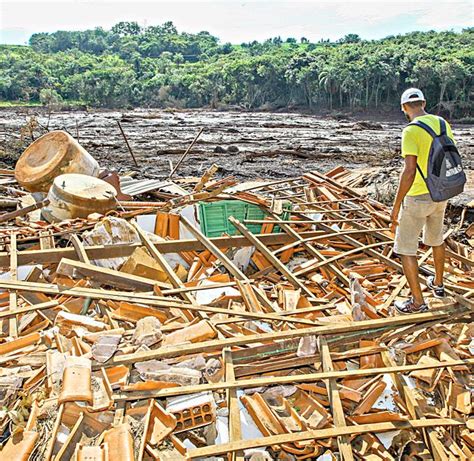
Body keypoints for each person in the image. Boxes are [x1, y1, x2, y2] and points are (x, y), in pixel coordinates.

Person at [391, 88, 453, 314]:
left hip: (418, 196)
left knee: (406, 249)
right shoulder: (442, 123)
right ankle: (438, 284)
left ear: (404, 108)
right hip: (441, 193)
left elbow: (408, 171)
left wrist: (396, 206)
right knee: (436, 239)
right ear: (424, 102)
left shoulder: (411, 131)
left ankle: (417, 302)